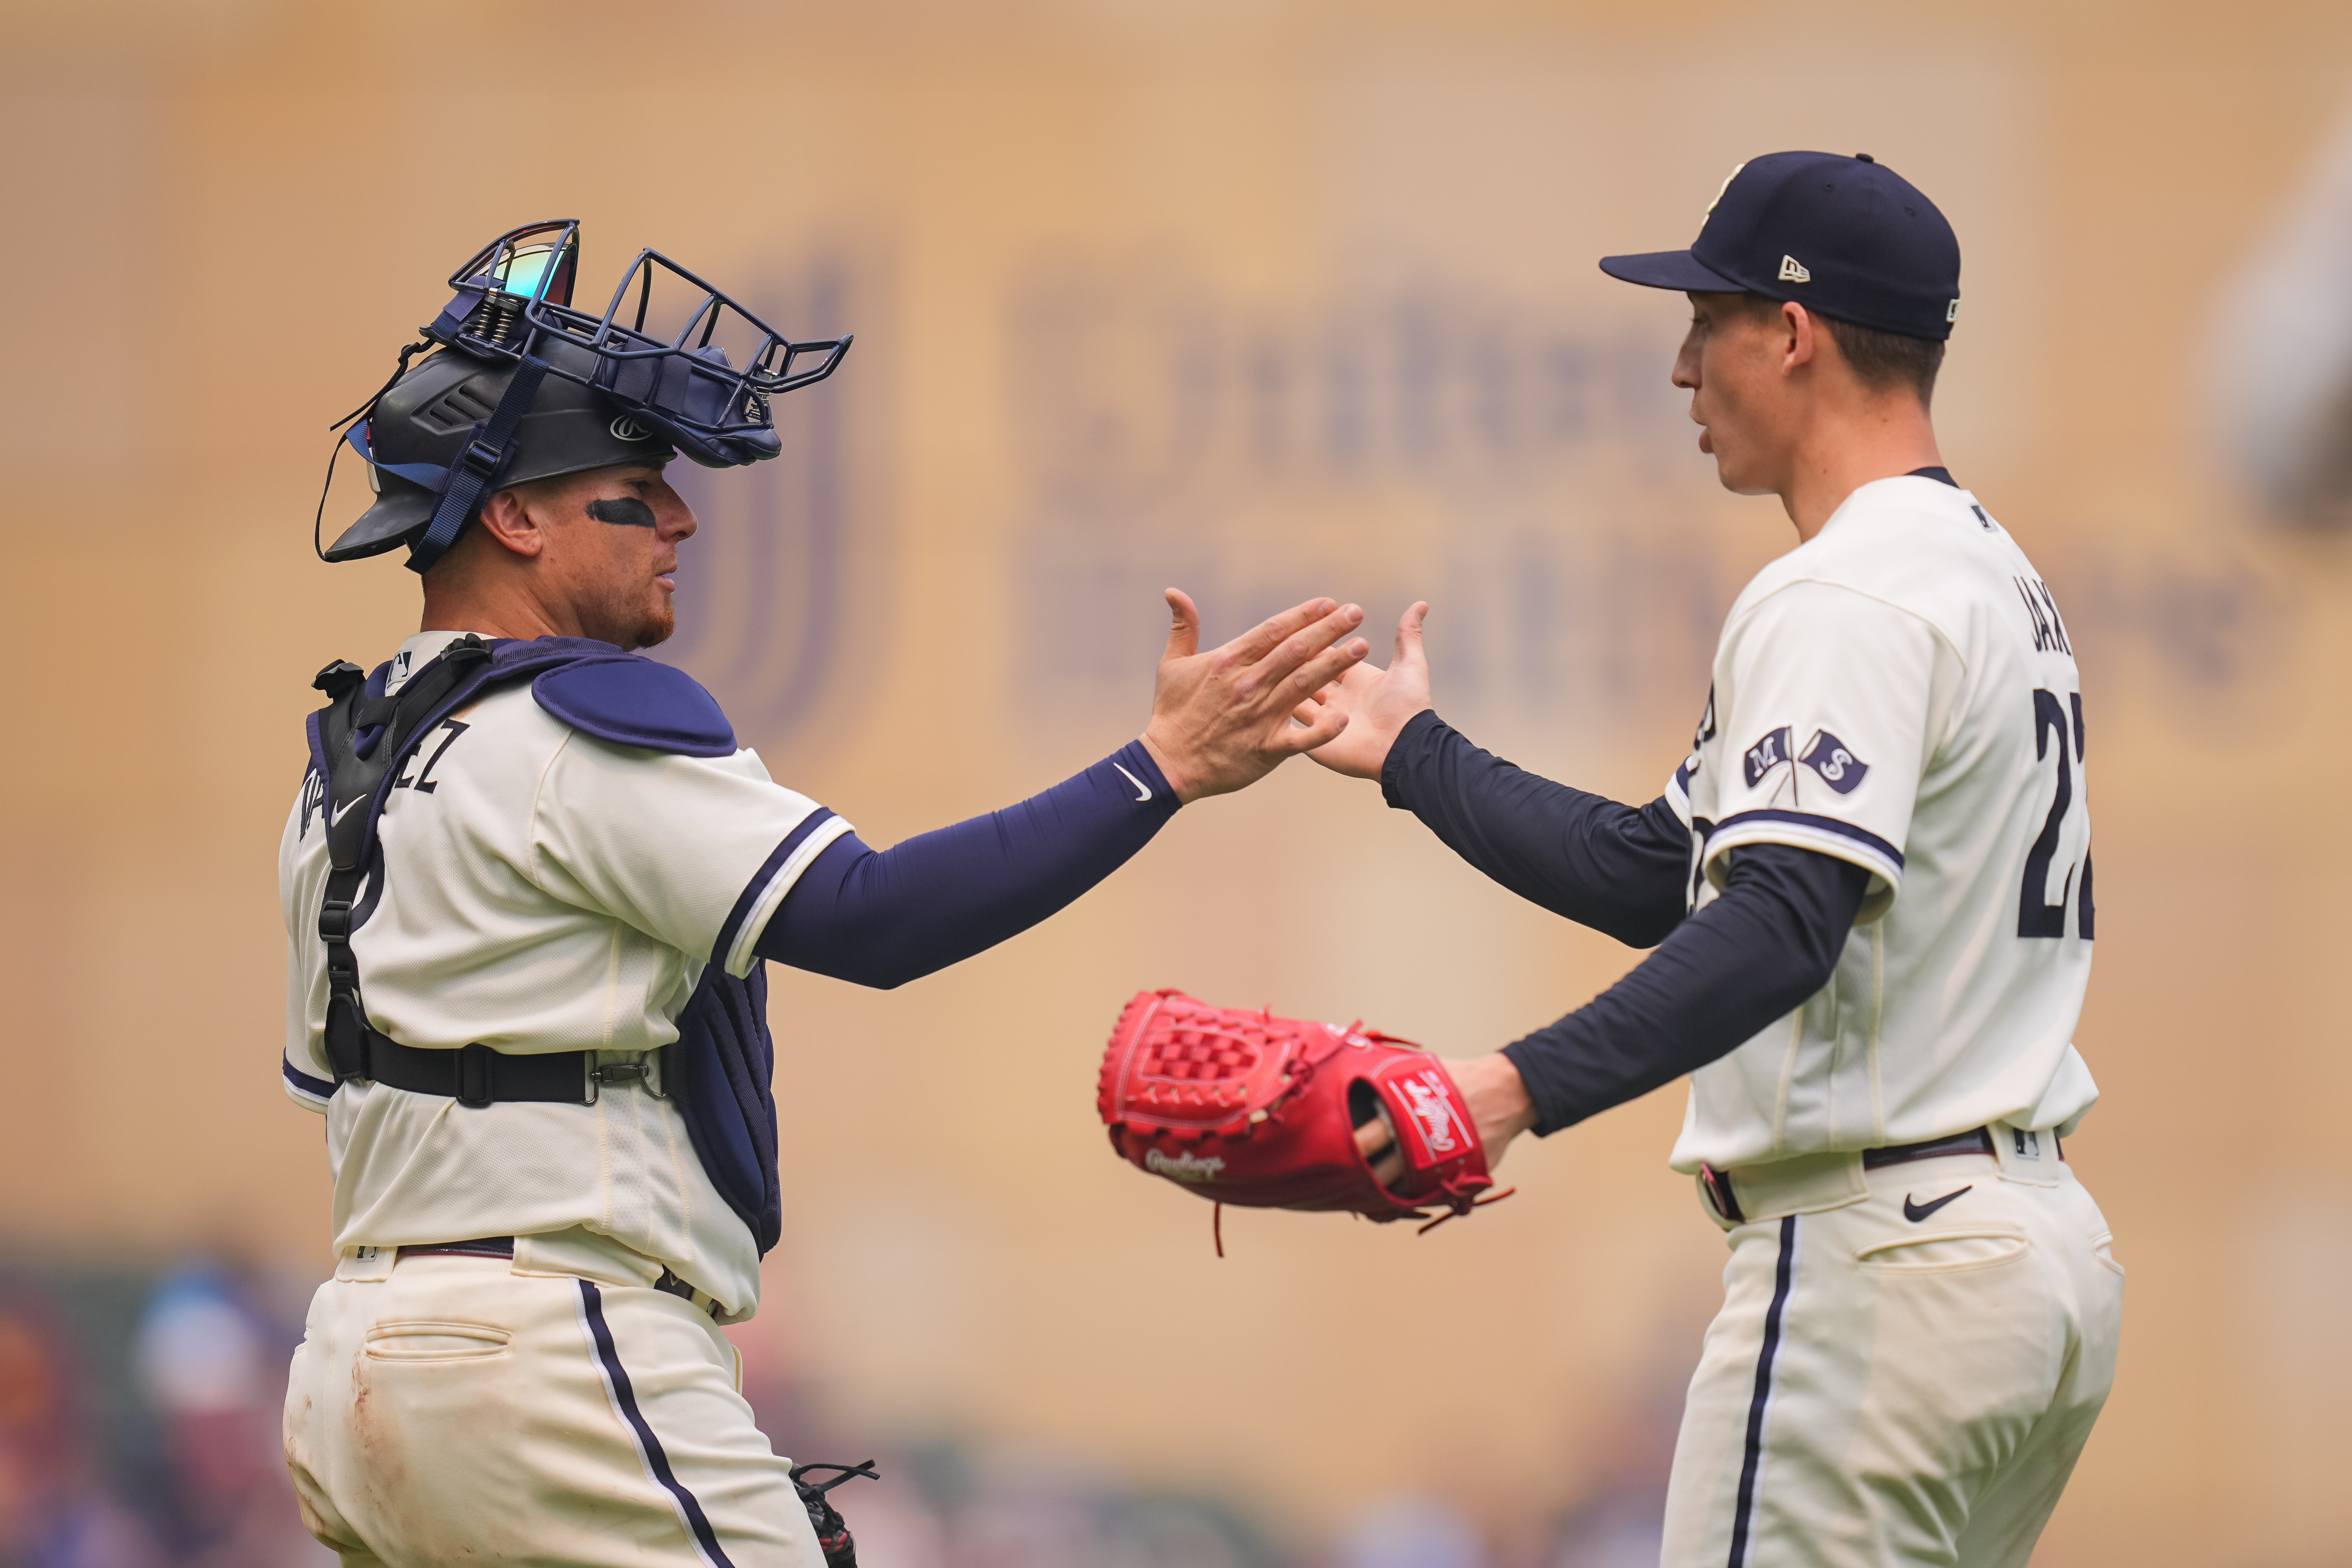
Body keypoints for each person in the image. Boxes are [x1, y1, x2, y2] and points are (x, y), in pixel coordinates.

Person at [277, 222, 1369, 1568]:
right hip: (549, 1355)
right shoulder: (571, 727)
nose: (679, 518)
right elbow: (872, 917)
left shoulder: (349, 762)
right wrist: (1164, 769)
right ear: (512, 516)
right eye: (633, 488)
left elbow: (333, 1080)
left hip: (352, 1366)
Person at [1311, 153, 2121, 1568]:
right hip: (2024, 1258)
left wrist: (1509, 1087)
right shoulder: (1979, 569)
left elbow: (1781, 924)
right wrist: (1411, 754)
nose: (1683, 366)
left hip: (1881, 1255)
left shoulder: (1842, 588)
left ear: (1793, 334)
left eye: (1707, 321)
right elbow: (1658, 871)